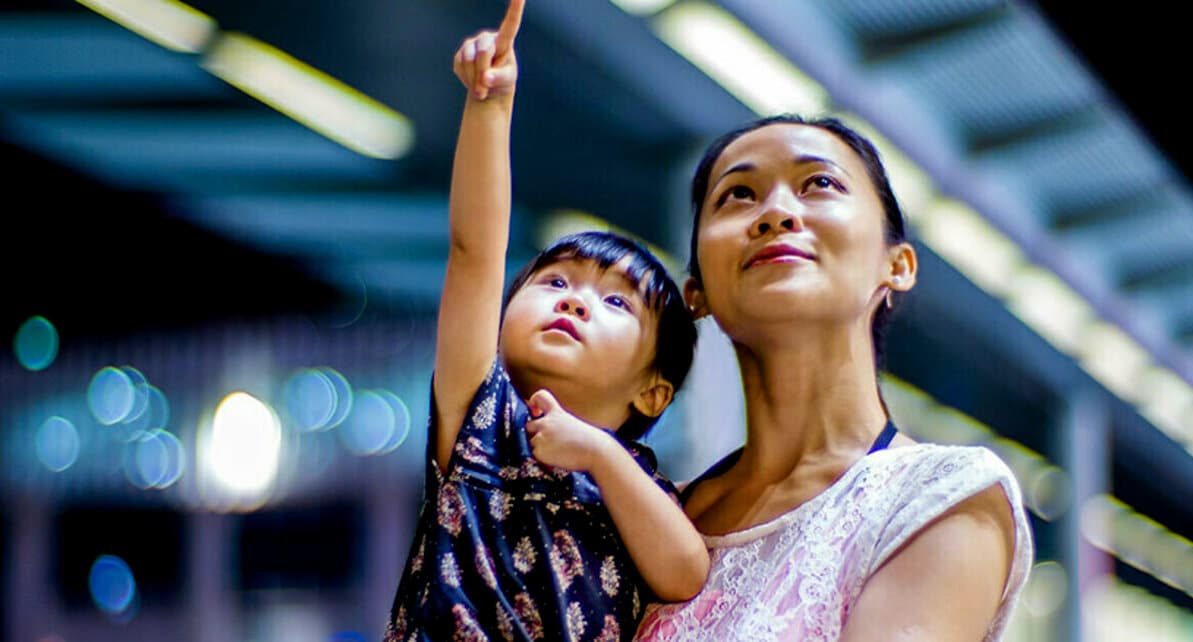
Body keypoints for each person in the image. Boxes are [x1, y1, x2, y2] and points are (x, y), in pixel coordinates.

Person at [633, 115, 1034, 641]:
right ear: (697, 293)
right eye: (737, 195)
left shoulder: (942, 497)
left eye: (820, 183)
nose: (775, 212)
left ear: (898, 264)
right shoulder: (642, 513)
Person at [382, 2, 707, 640]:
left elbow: (684, 574)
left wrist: (598, 455)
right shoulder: (482, 416)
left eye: (616, 303)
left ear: (653, 390)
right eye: (555, 282)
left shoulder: (635, 486)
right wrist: (490, 109)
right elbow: (475, 252)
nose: (576, 301)